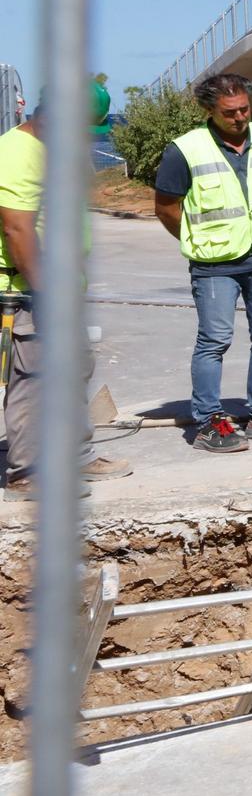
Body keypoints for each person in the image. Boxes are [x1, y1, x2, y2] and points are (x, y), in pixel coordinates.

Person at [153, 72, 252, 453]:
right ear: (209, 111)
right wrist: (197, 240)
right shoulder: (185, 150)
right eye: (229, 112)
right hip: (215, 264)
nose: (239, 117)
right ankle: (207, 422)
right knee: (214, 341)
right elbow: (166, 207)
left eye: (244, 109)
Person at [1, 95, 131, 500]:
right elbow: (18, 231)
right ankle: (28, 471)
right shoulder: (17, 153)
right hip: (28, 292)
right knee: (32, 379)